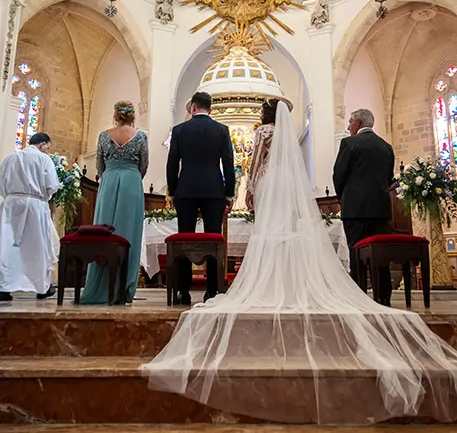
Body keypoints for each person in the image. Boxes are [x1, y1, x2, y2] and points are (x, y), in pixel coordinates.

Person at [142, 100, 457, 425]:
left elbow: (255, 163)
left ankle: (254, 284)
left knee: (268, 233)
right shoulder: (288, 135)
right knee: (285, 233)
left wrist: (248, 190)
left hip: (266, 184)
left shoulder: (262, 132)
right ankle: (294, 283)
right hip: (289, 186)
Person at [167, 91, 235, 305]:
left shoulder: (179, 130)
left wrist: (173, 191)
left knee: (185, 239)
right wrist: (229, 193)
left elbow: (172, 163)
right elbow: (228, 163)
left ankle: (183, 291)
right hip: (214, 191)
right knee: (214, 239)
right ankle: (212, 290)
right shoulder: (221, 130)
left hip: (186, 190)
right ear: (210, 109)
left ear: (193, 107)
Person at [81, 101, 149, 304]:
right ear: (132, 115)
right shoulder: (141, 137)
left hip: (109, 181)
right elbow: (144, 165)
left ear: (115, 115)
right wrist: (131, 174)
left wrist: (111, 172)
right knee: (129, 232)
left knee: (105, 230)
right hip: (132, 182)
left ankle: (100, 283)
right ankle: (124, 288)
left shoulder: (104, 136)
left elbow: (99, 165)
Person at [333, 108, 394, 306]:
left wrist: (343, 198)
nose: (348, 126)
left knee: (356, 251)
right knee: (381, 254)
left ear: (358, 123)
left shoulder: (349, 143)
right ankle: (384, 297)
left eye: (350, 122)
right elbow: (389, 178)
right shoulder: (386, 147)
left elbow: (338, 174)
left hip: (355, 208)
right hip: (380, 209)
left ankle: (360, 297)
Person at [0, 133, 59, 301]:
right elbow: (52, 185)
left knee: (7, 247)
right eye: (47, 147)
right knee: (37, 246)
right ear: (41, 145)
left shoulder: (10, 158)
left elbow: (1, 184)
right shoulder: (44, 159)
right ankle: (41, 288)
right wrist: (44, 196)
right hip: (35, 205)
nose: (48, 151)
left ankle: (4, 288)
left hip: (10, 206)